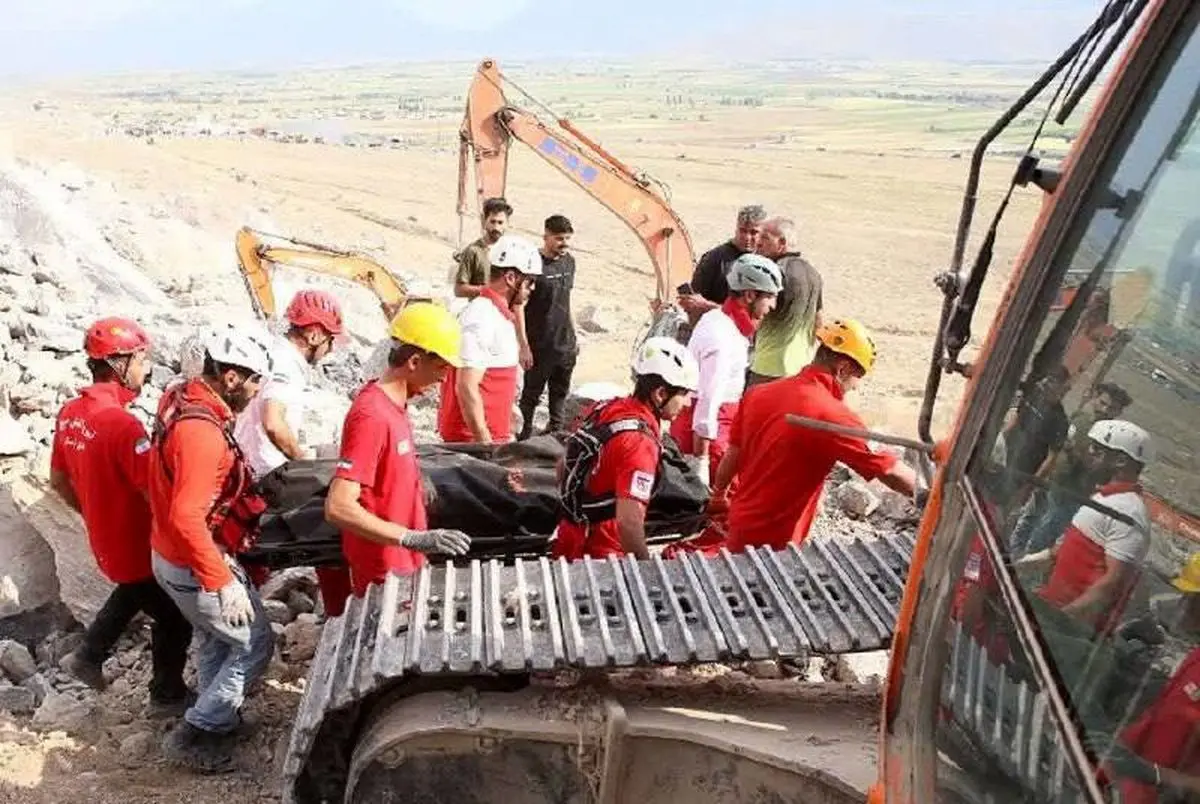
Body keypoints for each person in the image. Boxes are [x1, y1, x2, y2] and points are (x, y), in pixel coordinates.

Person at [149, 325, 276, 773]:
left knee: (215, 636)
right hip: (192, 560)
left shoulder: (182, 399)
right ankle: (198, 732)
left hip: (170, 554)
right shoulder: (202, 434)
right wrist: (222, 581)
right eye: (256, 380)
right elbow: (188, 515)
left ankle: (217, 717)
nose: (259, 390)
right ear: (231, 378)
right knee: (255, 642)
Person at [51, 318, 192, 713]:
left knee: (134, 591)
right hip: (137, 540)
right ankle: (167, 695)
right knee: (174, 617)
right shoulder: (122, 424)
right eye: (142, 359)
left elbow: (58, 479)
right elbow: (153, 494)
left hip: (106, 537)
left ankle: (89, 655)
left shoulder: (71, 413)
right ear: (119, 363)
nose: (146, 369)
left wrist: (93, 512)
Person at [713, 318, 918, 551]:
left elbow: (733, 455)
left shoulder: (757, 393)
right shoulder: (833, 416)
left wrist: (718, 495)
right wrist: (932, 497)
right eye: (857, 378)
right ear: (843, 369)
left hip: (740, 527)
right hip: (777, 545)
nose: (856, 387)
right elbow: (889, 469)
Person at [325, 303, 471, 597]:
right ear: (415, 361)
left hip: (401, 565)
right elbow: (339, 506)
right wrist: (411, 538)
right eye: (441, 367)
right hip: (385, 573)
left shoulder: (395, 404)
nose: (444, 378)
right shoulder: (373, 415)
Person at [554, 336, 699, 561]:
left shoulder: (605, 407)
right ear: (660, 393)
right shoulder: (639, 443)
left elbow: (562, 466)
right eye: (684, 394)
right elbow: (628, 523)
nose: (688, 403)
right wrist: (646, 567)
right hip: (602, 554)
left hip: (569, 537)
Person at [1027, 419, 1153, 638]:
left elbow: (1111, 583)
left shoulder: (1129, 513)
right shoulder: (1104, 498)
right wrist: (1018, 565)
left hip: (1067, 631)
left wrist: (1059, 620)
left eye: (1098, 450)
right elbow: (1063, 550)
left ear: (1121, 460)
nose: (1090, 454)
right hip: (1050, 612)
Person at [669, 253, 781, 485]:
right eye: (770, 297)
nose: (773, 306)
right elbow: (708, 399)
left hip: (712, 423)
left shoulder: (719, 320)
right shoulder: (721, 337)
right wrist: (702, 459)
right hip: (710, 431)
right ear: (750, 295)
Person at [438, 234, 542, 444]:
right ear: (511, 278)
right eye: (530, 281)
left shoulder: (497, 314)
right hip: (471, 443)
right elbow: (466, 386)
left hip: (491, 437)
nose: (532, 289)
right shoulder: (482, 316)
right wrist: (485, 444)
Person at [1010, 381, 1132, 557]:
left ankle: (1022, 567)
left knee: (1042, 536)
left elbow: (1098, 470)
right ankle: (1011, 555)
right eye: (1102, 403)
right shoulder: (1080, 417)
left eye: (1111, 408)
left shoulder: (1112, 439)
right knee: (1027, 520)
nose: (1104, 410)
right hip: (1051, 480)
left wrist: (1073, 453)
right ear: (1094, 398)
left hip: (1070, 494)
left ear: (1118, 412)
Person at [234, 289, 344, 477]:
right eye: (330, 340)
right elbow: (273, 423)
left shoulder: (273, 351)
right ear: (314, 336)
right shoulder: (287, 365)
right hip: (265, 472)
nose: (330, 349)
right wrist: (302, 461)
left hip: (247, 463)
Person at [453, 196, 533, 370]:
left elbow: (518, 304)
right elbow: (459, 289)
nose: (496, 227)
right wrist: (489, 291)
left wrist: (524, 345)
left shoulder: (514, 253)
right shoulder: (474, 252)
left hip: (505, 324)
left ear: (507, 224)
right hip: (481, 323)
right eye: (493, 222)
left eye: (501, 222)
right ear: (484, 221)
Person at [518, 214, 579, 440]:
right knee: (530, 397)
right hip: (539, 344)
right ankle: (522, 439)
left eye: (567, 239)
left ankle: (555, 438)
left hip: (565, 344)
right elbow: (519, 306)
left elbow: (566, 301)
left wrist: (574, 339)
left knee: (559, 395)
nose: (564, 244)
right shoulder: (532, 264)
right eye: (559, 238)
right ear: (546, 236)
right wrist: (523, 346)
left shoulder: (569, 262)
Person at [747, 217, 824, 386]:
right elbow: (818, 321)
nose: (757, 243)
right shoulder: (812, 273)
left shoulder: (774, 272)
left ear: (782, 242)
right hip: (801, 367)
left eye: (765, 238)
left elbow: (753, 315)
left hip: (768, 369)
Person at [679, 204, 767, 316]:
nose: (747, 237)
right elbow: (695, 303)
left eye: (754, 232)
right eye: (743, 231)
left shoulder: (766, 262)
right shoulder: (714, 259)